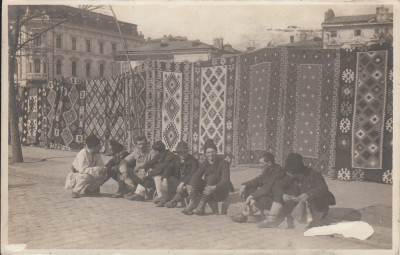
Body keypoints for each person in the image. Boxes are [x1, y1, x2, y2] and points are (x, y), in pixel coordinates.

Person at [257, 153, 336, 229]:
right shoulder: (290, 175)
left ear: (299, 169)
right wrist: (283, 195)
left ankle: (315, 221)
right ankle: (272, 220)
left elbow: (323, 188)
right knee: (279, 194)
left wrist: (308, 194)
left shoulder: (314, 175)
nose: (290, 174)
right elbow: (278, 186)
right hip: (299, 207)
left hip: (315, 206)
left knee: (322, 197)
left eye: (292, 173)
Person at [182, 139, 234, 215]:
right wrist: (189, 185)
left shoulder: (224, 163)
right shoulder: (205, 163)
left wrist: (214, 187)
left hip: (220, 193)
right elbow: (196, 175)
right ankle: (192, 203)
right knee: (196, 179)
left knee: (212, 177)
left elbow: (226, 181)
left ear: (216, 152)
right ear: (205, 154)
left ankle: (201, 206)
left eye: (213, 152)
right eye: (208, 152)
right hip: (208, 192)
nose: (211, 154)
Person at [231, 152, 286, 223]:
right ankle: (256, 212)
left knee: (261, 199)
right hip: (269, 194)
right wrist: (245, 185)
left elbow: (267, 187)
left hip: (276, 198)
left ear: (269, 163)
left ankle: (245, 214)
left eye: (261, 163)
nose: (260, 165)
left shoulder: (278, 172)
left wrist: (252, 196)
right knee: (249, 187)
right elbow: (259, 180)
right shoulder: (269, 169)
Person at [159, 141, 199, 208]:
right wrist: (165, 179)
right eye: (180, 152)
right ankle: (165, 198)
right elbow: (168, 168)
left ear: (187, 152)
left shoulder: (193, 161)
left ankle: (173, 201)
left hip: (187, 182)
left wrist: (182, 183)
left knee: (187, 187)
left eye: (184, 152)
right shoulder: (177, 159)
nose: (182, 154)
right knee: (167, 179)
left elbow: (192, 174)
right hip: (178, 182)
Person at [69, 134, 107, 198]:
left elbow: (101, 165)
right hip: (76, 175)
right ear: (92, 147)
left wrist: (102, 169)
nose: (100, 148)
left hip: (88, 173)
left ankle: (89, 190)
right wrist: (97, 169)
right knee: (86, 175)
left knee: (103, 175)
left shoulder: (96, 153)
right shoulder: (82, 154)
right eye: (98, 146)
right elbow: (82, 170)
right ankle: (75, 191)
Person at [119, 136, 156, 200]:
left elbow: (153, 164)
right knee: (124, 170)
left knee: (149, 170)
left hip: (147, 176)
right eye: (139, 144)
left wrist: (140, 166)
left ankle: (139, 194)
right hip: (137, 175)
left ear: (147, 144)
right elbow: (124, 161)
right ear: (136, 145)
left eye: (143, 144)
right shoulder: (136, 152)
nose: (142, 146)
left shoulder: (152, 152)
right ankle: (132, 188)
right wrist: (124, 171)